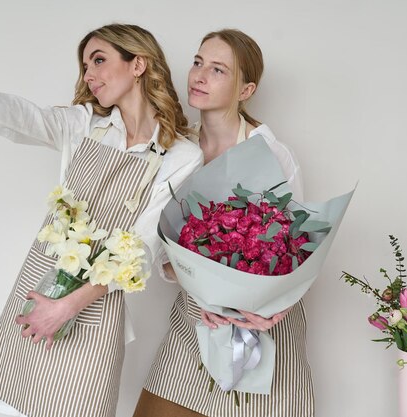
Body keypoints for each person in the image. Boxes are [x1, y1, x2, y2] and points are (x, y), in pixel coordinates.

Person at [0, 23, 202, 417]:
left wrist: (69, 306)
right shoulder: (85, 125)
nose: (88, 74)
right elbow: (15, 116)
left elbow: (142, 249)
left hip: (95, 308)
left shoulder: (180, 155)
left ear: (138, 64)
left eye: (99, 60)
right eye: (85, 65)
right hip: (38, 292)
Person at [133, 29, 313, 417]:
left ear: (246, 90)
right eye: (198, 62)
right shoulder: (176, 151)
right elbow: (160, 249)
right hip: (195, 318)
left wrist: (266, 306)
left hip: (262, 328)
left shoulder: (270, 153)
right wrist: (200, 289)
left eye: (218, 70)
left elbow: (295, 250)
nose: (199, 75)